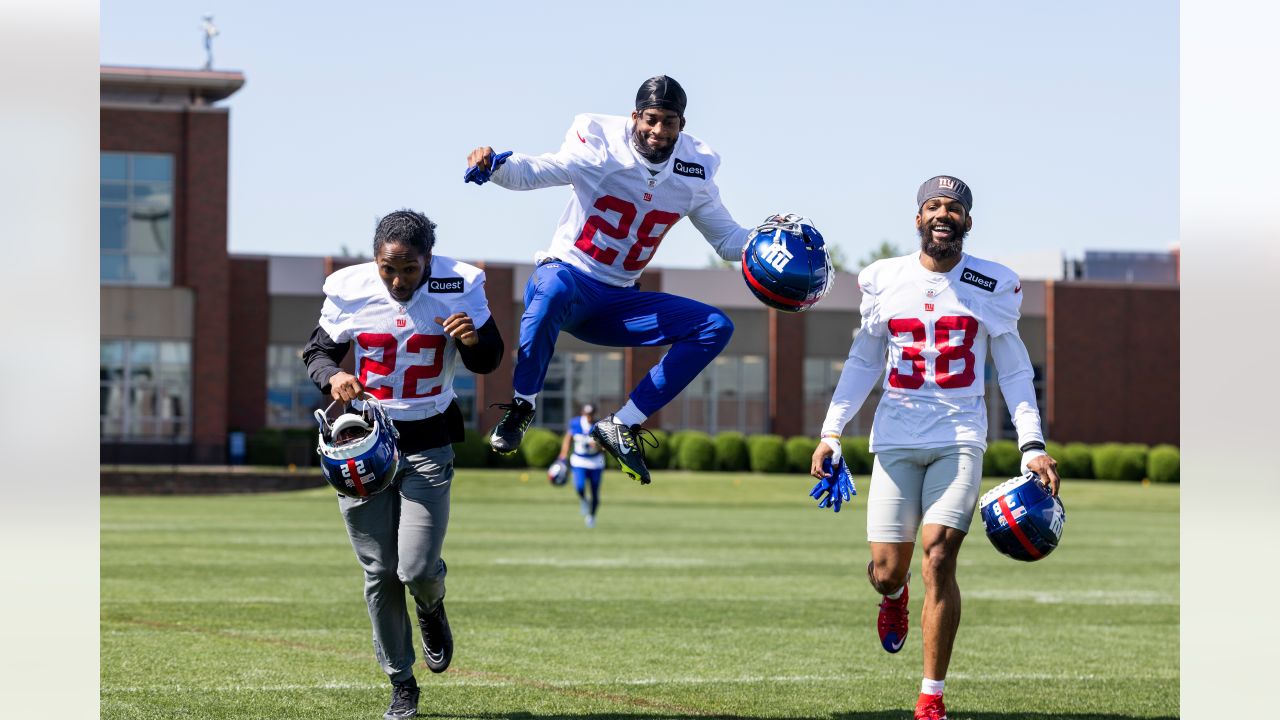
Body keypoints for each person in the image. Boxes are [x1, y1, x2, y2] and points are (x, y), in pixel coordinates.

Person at [809, 176, 1062, 720]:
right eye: (933, 205)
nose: (944, 214)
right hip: (897, 434)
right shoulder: (883, 278)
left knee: (940, 556)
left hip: (960, 435)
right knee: (887, 571)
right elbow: (862, 361)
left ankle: (931, 697)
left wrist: (1031, 444)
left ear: (968, 221)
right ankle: (894, 599)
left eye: (955, 207)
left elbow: (1014, 369)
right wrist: (831, 432)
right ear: (917, 218)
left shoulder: (993, 283)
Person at [464, 74, 769, 485]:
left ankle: (622, 424)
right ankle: (522, 406)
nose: (660, 132)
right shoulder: (601, 147)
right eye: (652, 119)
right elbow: (538, 170)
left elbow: (728, 240)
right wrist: (495, 165)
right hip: (568, 277)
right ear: (634, 117)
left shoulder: (693, 173)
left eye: (670, 122)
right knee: (552, 288)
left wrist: (768, 240)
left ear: (683, 124)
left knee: (715, 326)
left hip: (618, 300)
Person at [301, 210, 504, 720]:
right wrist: (333, 378)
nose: (398, 280)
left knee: (414, 568)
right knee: (379, 572)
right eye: (389, 268)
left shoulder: (459, 284)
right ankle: (401, 682)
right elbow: (316, 353)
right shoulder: (350, 289)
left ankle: (431, 608)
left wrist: (472, 341)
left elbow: (490, 362)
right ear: (376, 259)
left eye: (409, 269)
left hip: (427, 441)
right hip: (364, 444)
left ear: (427, 261)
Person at [557, 403, 605, 527]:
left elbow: (605, 448)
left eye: (591, 415)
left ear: (594, 415)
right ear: (583, 413)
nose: (589, 417)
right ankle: (584, 500)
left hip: (595, 462)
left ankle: (592, 516)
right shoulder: (575, 423)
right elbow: (568, 439)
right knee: (580, 486)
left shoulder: (599, 426)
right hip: (579, 460)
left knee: (595, 491)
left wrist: (598, 446)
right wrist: (563, 456)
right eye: (587, 414)